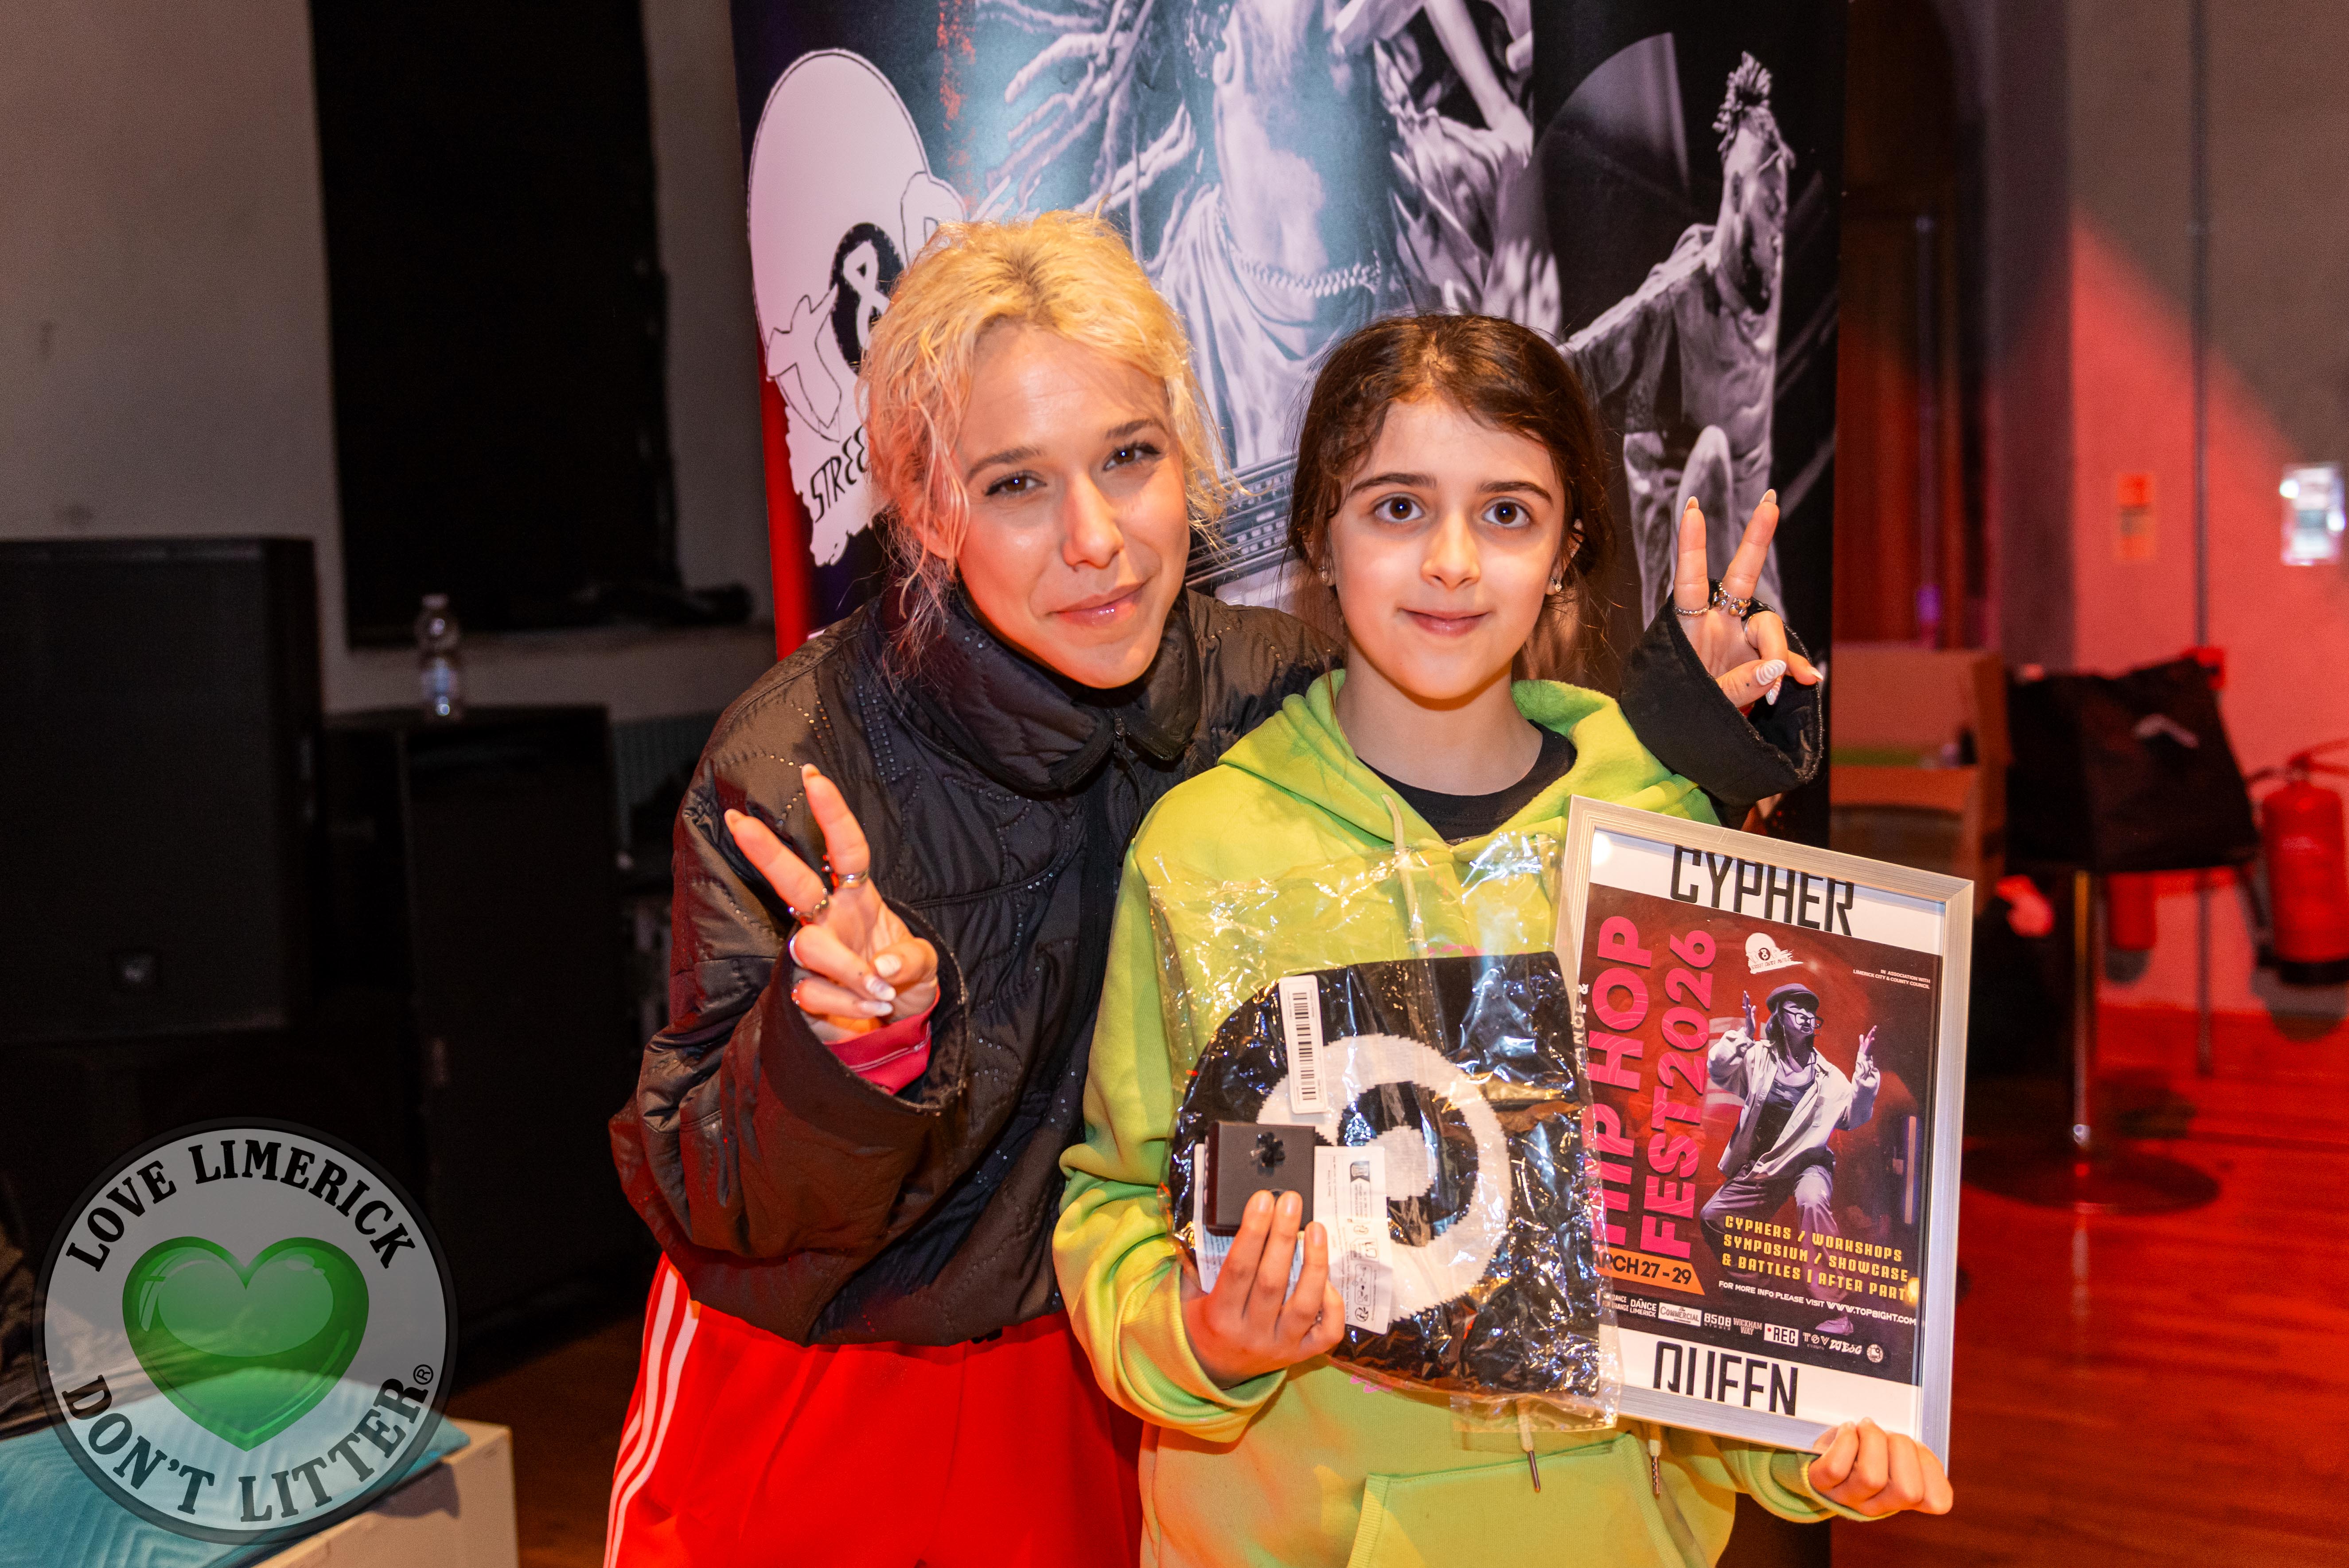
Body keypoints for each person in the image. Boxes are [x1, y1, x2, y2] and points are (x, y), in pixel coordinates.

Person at [603, 214, 1821, 1566]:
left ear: (1188, 461)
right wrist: (843, 1050)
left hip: (1140, 1358)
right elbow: (709, 1191)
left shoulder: (1267, 684)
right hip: (851, 1364)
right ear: (928, 508)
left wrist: (1688, 741)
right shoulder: (796, 764)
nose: (1094, 538)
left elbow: (1477, 752)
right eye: (1015, 483)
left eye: (1129, 457)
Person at [1054, 312, 1947, 1566]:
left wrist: (1816, 1440)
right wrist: (1202, 1339)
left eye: (1508, 513)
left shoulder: (1658, 825)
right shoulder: (1206, 851)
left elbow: (1708, 1238)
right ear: (1317, 532)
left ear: (1567, 548)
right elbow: (1119, 1203)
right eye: (1397, 507)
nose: (1452, 562)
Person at [1566, 53, 1793, 619]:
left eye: (1783, 214)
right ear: (1736, 193)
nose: (1779, 234)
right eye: (1770, 209)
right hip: (1688, 559)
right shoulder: (1677, 300)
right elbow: (1574, 365)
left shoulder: (1766, 267)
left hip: (1753, 545)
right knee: (1711, 456)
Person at [1698, 980, 1881, 1337]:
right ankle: (1758, 1288)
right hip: (1766, 1164)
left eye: (1811, 1011)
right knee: (1712, 1217)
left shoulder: (1829, 1076)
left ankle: (1836, 1310)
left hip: (1809, 1163)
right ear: (1779, 1017)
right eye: (1797, 1009)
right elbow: (1719, 1072)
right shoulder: (1758, 1056)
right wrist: (1741, 1039)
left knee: (1811, 1200)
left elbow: (1852, 1118)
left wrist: (1863, 1082)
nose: (1806, 1015)